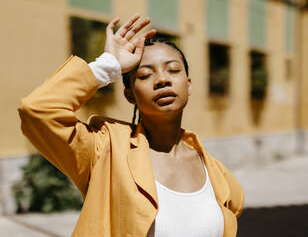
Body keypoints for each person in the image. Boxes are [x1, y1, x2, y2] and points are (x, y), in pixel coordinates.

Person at [18, 13, 244, 237]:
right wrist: (109, 65)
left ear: (189, 85)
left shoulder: (219, 176)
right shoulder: (106, 150)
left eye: (173, 70)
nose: (163, 79)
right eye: (145, 75)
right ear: (130, 95)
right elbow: (38, 110)